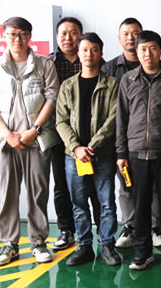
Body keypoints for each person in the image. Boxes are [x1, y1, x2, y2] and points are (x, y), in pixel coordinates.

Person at [0, 17, 59, 266]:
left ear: (30, 36)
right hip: (4, 142)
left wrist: (34, 130)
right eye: (13, 34)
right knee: (8, 194)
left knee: (38, 193)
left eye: (23, 34)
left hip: (36, 140)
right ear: (3, 36)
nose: (18, 39)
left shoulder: (44, 64)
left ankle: (38, 242)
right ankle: (10, 243)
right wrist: (8, 134)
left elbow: (51, 98)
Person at [115, 30, 161, 271]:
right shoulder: (128, 80)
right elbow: (121, 119)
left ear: (160, 50)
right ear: (136, 52)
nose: (148, 54)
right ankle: (142, 253)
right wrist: (121, 153)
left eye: (153, 48)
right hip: (136, 153)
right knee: (140, 206)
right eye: (143, 49)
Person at [55, 33, 121, 266]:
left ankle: (107, 245)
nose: (89, 54)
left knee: (106, 203)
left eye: (94, 50)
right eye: (84, 50)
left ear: (101, 53)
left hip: (102, 155)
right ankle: (84, 246)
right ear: (78, 53)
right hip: (74, 157)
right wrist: (76, 148)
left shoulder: (112, 84)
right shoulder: (67, 86)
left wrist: (91, 147)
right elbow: (60, 121)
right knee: (79, 204)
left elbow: (113, 120)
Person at [48, 17, 101, 251]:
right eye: (63, 33)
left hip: (91, 139)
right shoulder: (48, 63)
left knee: (96, 188)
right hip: (59, 135)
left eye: (73, 33)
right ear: (56, 36)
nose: (68, 38)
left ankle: (103, 235)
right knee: (61, 185)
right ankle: (66, 230)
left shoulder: (95, 61)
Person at [102, 17, 151, 249]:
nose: (131, 38)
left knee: (153, 187)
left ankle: (154, 226)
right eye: (126, 34)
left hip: (149, 140)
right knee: (126, 186)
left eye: (135, 33)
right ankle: (130, 226)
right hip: (120, 139)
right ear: (119, 38)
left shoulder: (155, 65)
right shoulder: (110, 69)